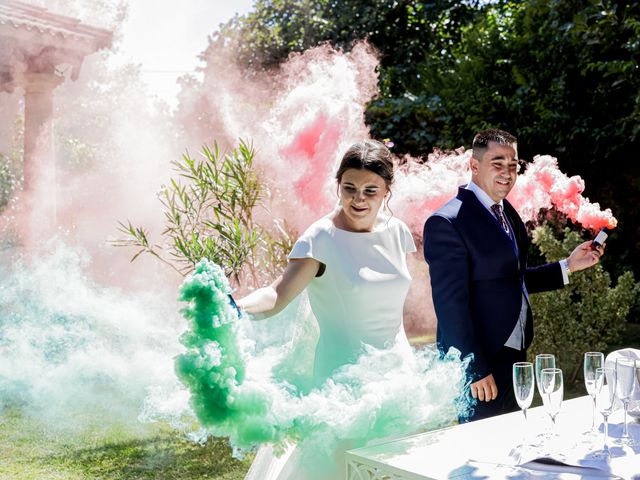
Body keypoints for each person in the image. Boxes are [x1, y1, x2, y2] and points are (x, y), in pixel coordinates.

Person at [238, 139, 417, 479]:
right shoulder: (320, 239)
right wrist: (235, 307)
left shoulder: (398, 232)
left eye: (370, 190)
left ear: (386, 192)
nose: (358, 199)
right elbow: (277, 295)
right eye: (349, 188)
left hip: (397, 375)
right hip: (343, 381)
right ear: (338, 186)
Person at [423, 128, 604, 421]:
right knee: (478, 452)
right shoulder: (447, 221)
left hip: (513, 355)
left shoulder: (506, 212)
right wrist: (475, 369)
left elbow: (512, 280)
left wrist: (568, 265)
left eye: (513, 164)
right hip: (480, 361)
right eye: (498, 163)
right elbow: (449, 305)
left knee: (510, 446)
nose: (507, 172)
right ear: (474, 165)